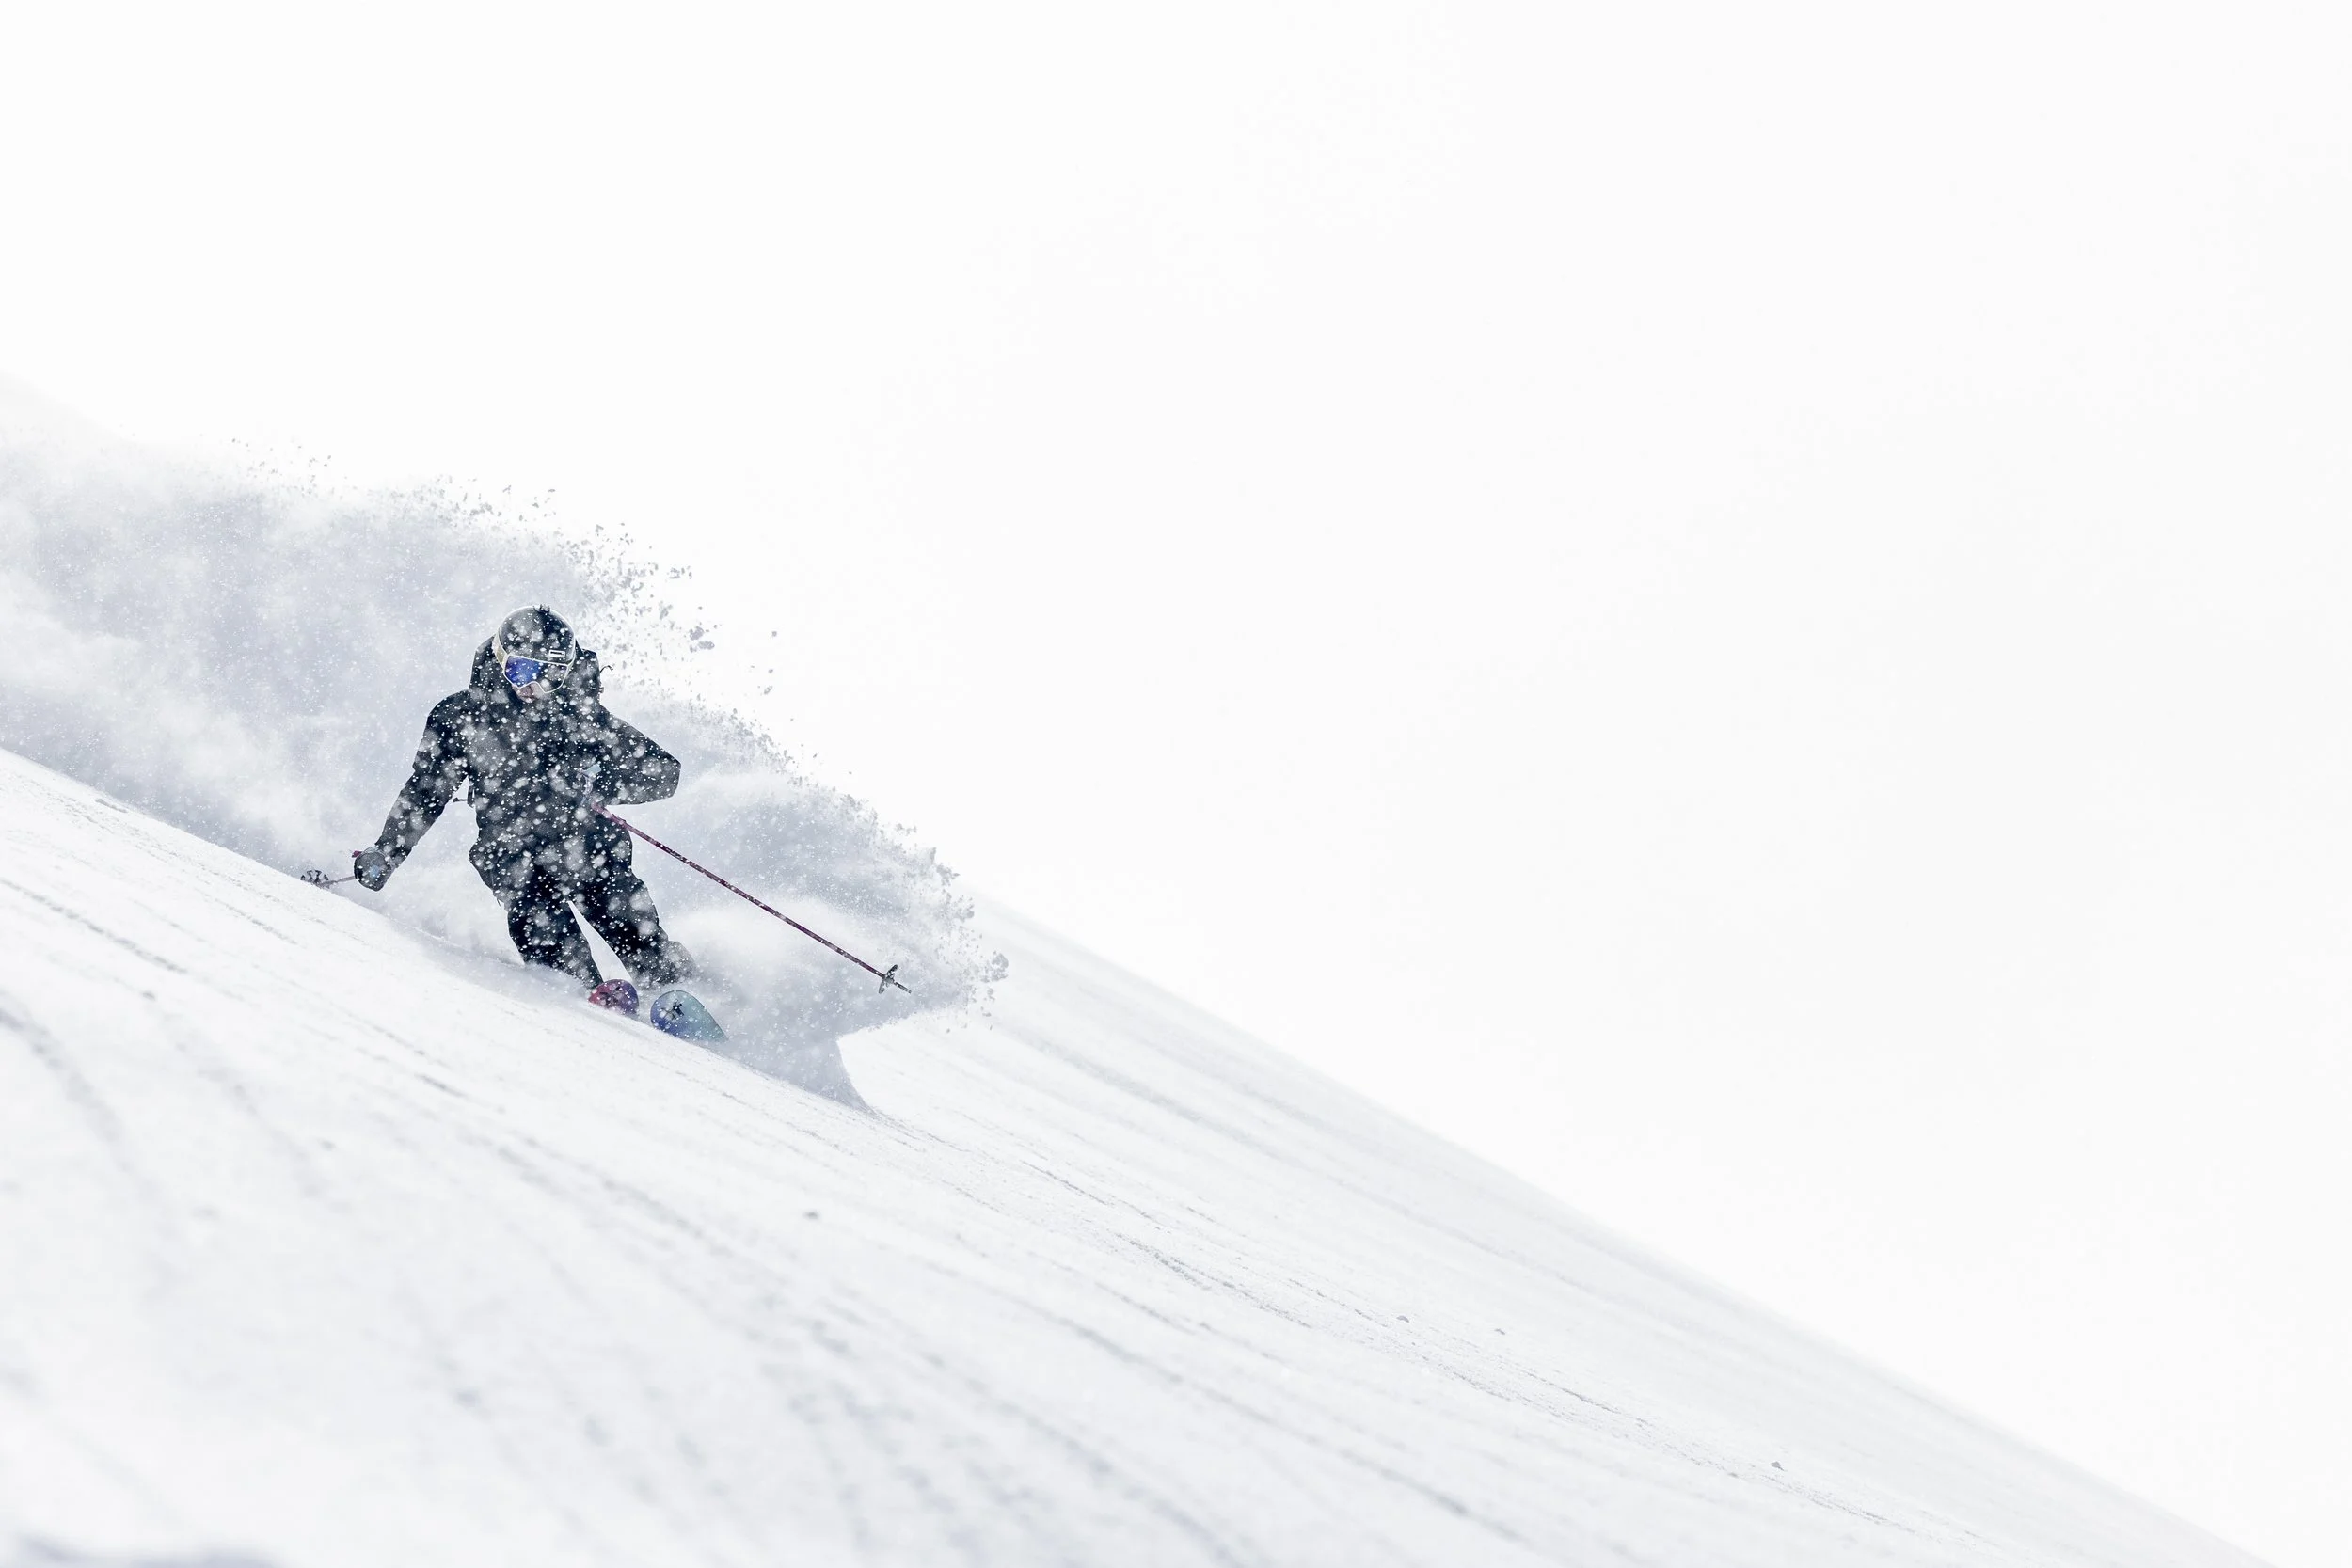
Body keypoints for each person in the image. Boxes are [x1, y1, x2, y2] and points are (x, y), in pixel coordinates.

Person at [353, 606, 696, 992]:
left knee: (636, 932)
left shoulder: (582, 717)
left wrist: (597, 783)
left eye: (550, 676)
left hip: (587, 848)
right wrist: (387, 851)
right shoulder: (463, 717)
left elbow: (663, 772)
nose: (532, 686)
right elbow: (426, 791)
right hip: (511, 855)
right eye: (522, 670)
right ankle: (585, 998)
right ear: (500, 659)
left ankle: (683, 996)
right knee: (544, 929)